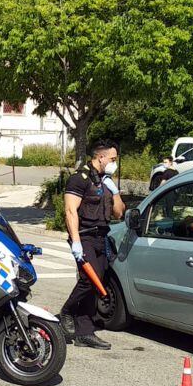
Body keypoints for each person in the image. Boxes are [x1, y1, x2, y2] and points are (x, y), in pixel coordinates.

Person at [61, 140, 125, 350]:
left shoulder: (106, 181)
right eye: (113, 159)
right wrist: (76, 242)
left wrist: (114, 191)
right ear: (101, 157)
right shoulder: (79, 179)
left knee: (98, 283)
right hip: (85, 236)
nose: (114, 163)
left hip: (101, 237)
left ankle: (84, 332)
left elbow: (119, 213)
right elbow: (71, 211)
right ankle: (67, 311)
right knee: (90, 279)